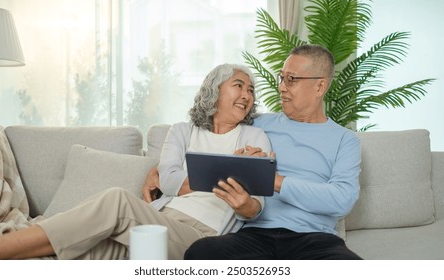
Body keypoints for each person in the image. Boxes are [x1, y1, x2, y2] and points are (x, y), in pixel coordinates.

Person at [0, 63, 271, 260]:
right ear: (215, 90)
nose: (247, 95)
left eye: (250, 90)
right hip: (160, 219)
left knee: (117, 201)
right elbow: (168, 181)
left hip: (201, 236)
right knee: (87, 249)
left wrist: (243, 200)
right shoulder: (183, 130)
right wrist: (228, 170)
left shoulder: (255, 137)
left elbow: (255, 207)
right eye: (238, 86)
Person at [145, 44, 362, 260]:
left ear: (320, 87)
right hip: (253, 235)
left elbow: (341, 200)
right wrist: (157, 170)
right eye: (281, 78)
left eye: (291, 79)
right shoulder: (258, 125)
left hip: (315, 238)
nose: (282, 87)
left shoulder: (345, 140)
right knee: (200, 252)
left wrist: (272, 179)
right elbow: (208, 136)